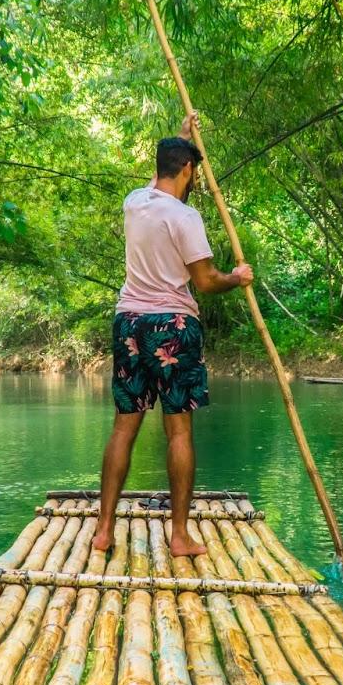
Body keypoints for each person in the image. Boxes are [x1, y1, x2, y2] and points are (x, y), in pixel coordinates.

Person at [92, 112, 253, 557]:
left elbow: (156, 181)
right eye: (193, 170)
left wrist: (181, 139)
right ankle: (179, 536)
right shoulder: (185, 217)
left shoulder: (134, 201)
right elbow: (205, 281)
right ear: (189, 170)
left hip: (128, 322)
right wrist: (237, 277)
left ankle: (103, 530)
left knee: (123, 429)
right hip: (172, 325)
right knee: (178, 432)